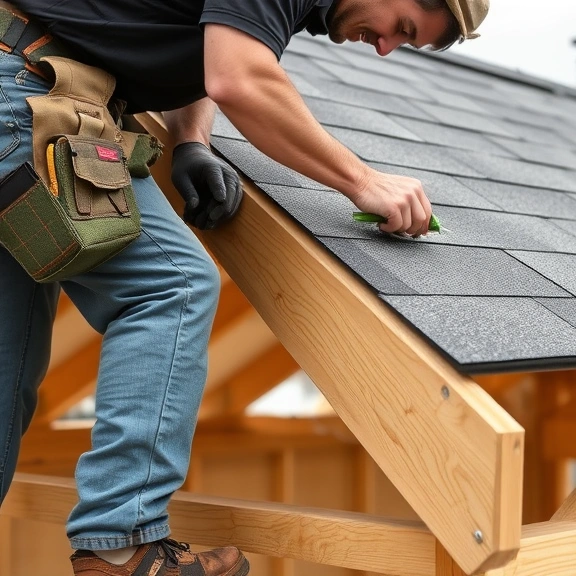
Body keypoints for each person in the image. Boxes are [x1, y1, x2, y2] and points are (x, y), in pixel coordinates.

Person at [0, 0, 488, 573]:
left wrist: (192, 142)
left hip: (34, 78)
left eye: (406, 44)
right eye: (401, 29)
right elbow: (237, 77)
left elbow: (202, 51)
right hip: (26, 88)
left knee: (9, 365)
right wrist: (363, 181)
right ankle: (121, 546)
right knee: (171, 286)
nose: (384, 48)